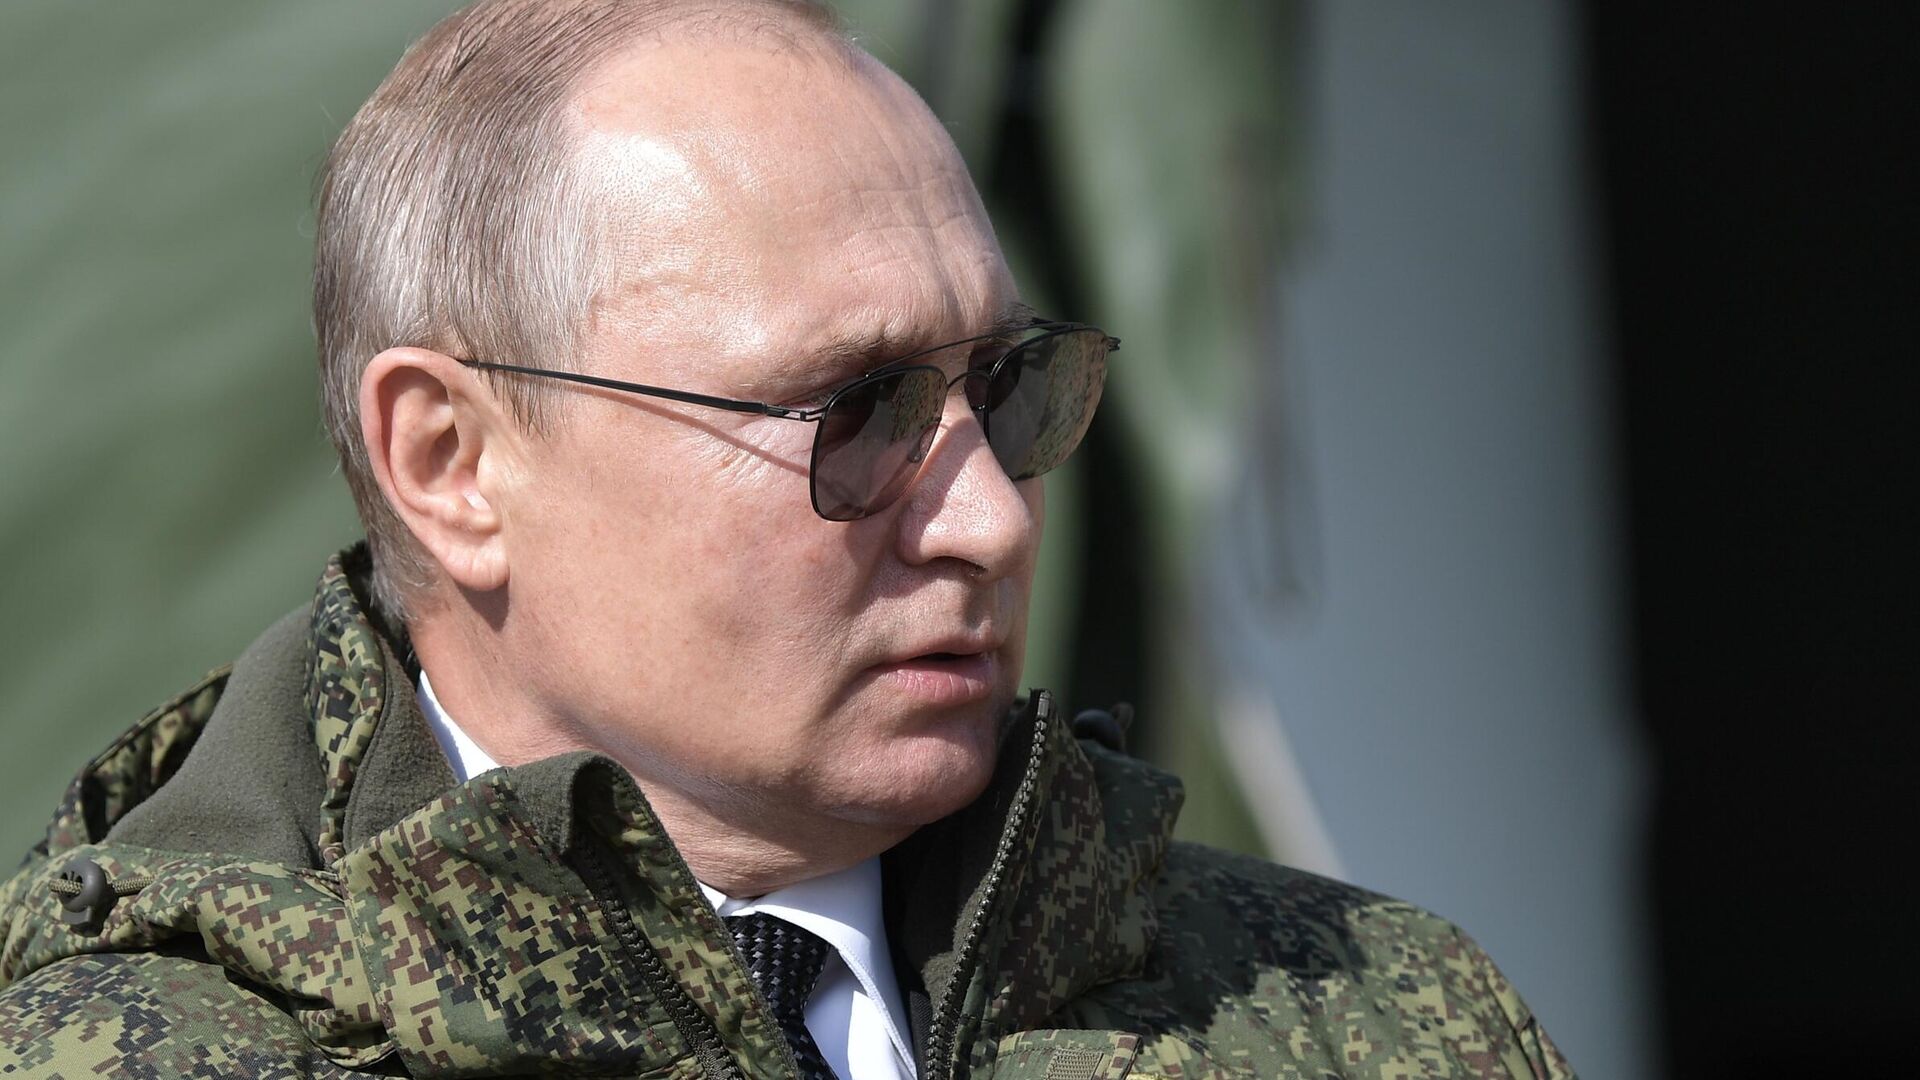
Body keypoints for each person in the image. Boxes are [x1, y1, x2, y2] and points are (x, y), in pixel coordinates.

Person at [0, 1, 1574, 1077]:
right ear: (454, 463)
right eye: (855, 410)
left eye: (1008, 389)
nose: (988, 519)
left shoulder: (1364, 1014)